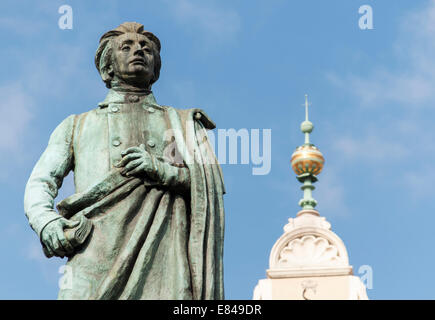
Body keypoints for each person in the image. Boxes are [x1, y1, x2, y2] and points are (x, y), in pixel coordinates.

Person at [24, 22, 225, 300]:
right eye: (126, 47)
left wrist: (159, 170)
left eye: (146, 48)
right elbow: (40, 183)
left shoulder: (182, 124)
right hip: (92, 251)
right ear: (108, 65)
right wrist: (47, 222)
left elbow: (208, 186)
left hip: (163, 254)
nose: (138, 51)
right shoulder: (77, 125)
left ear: (156, 66)